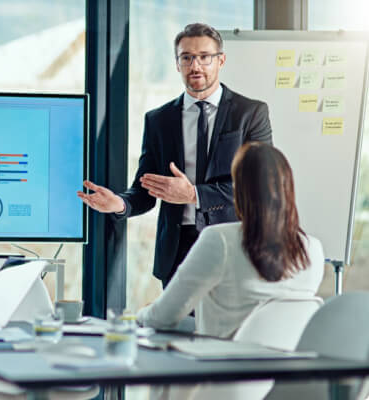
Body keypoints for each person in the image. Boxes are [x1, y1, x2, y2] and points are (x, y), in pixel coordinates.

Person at [77, 23, 273, 287]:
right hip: (177, 252)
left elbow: (258, 187)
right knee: (176, 328)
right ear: (177, 63)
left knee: (224, 329)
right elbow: (145, 190)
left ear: (221, 60)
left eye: (205, 57)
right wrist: (120, 204)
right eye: (187, 57)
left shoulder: (250, 114)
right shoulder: (159, 120)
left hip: (232, 246)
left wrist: (194, 195)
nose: (196, 65)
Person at [136, 142, 324, 338]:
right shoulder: (313, 249)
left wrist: (142, 314)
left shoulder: (221, 240)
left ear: (240, 190)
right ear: (288, 188)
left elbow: (163, 317)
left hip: (222, 363)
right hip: (284, 366)